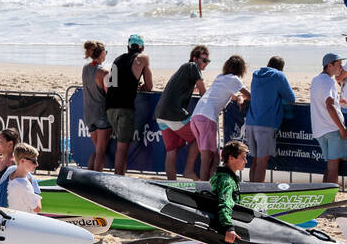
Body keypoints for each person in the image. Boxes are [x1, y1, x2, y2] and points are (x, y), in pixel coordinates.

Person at [153, 45, 210, 180]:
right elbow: (203, 91)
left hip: (160, 114)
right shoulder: (192, 66)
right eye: (204, 60)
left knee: (171, 150)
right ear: (195, 58)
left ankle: (171, 184)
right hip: (174, 112)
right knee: (199, 137)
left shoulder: (184, 69)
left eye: (208, 61)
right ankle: (189, 171)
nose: (206, 64)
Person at [189, 55, 249, 181]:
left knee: (209, 156)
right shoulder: (234, 79)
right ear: (241, 69)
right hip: (207, 117)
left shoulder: (221, 77)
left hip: (196, 115)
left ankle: (206, 186)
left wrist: (238, 97)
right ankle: (208, 188)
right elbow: (249, 95)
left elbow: (228, 94)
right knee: (212, 158)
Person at [104, 34, 153, 175]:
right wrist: (139, 86)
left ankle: (118, 175)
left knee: (116, 146)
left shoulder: (118, 59)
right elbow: (149, 86)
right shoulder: (143, 58)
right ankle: (119, 178)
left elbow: (111, 82)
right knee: (122, 148)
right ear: (142, 48)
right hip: (125, 107)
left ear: (127, 47)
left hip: (110, 107)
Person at [242, 56, 295, 183]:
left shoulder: (256, 74)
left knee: (255, 161)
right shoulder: (278, 76)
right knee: (262, 162)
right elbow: (291, 98)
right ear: (281, 68)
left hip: (251, 121)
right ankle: (256, 193)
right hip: (266, 124)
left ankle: (251, 190)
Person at [310, 53, 347, 184]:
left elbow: (325, 101)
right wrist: (342, 128)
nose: (341, 68)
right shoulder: (329, 80)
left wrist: (338, 101)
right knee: (333, 168)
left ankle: (325, 198)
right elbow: (329, 105)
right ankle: (330, 200)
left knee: (329, 166)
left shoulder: (316, 80)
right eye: (338, 64)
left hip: (319, 129)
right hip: (331, 128)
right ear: (329, 65)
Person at [82, 41, 111, 171]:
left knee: (97, 149)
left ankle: (88, 177)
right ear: (102, 53)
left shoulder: (85, 68)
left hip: (89, 113)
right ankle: (95, 179)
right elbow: (110, 93)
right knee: (100, 151)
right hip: (101, 113)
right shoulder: (103, 72)